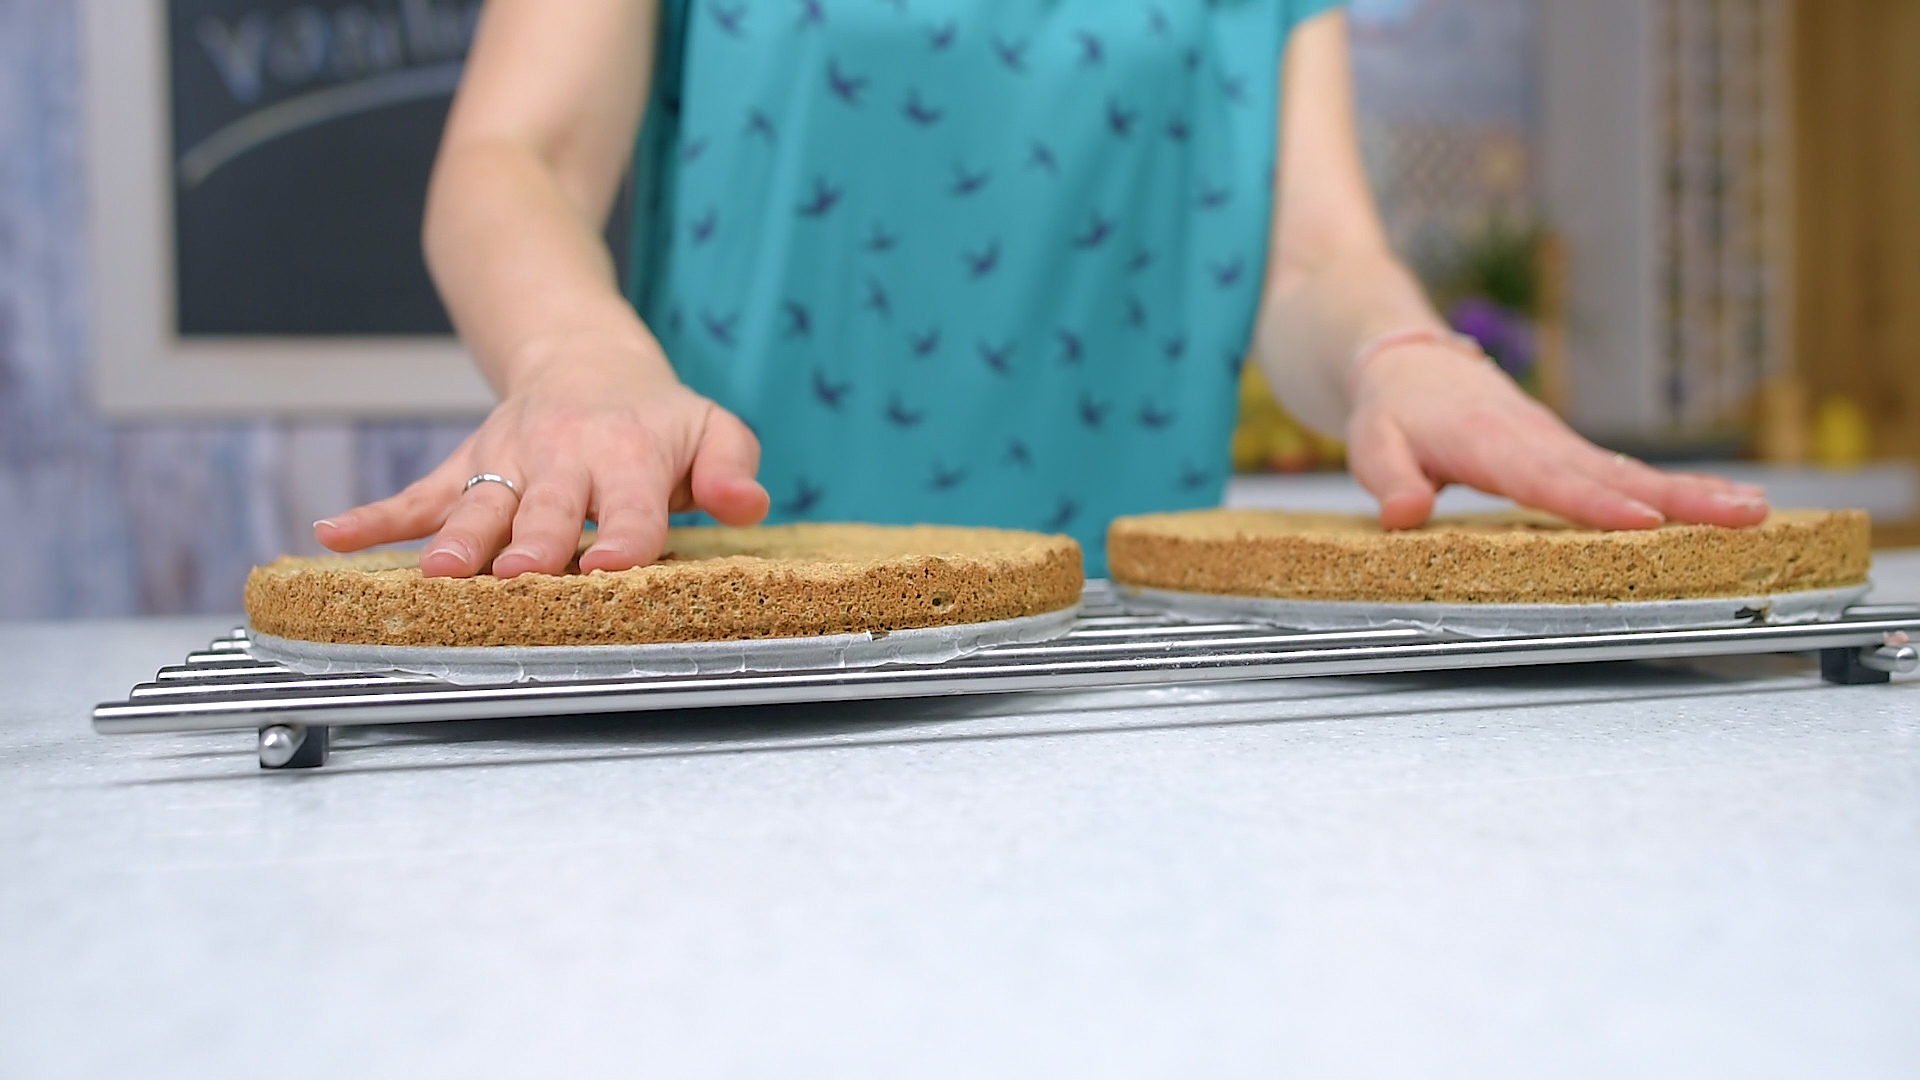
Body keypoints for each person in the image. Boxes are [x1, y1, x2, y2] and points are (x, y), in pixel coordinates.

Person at [314, 0, 1769, 578]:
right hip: (722, 638)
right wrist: (573, 345)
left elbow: (1313, 253)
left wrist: (1398, 347)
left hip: (1115, 671)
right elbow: (520, 150)